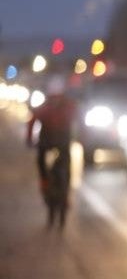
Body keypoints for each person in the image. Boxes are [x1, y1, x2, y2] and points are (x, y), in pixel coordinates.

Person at [27, 76, 77, 228]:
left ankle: (50, 186)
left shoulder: (59, 106)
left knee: (58, 167)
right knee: (59, 167)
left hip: (56, 144)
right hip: (52, 144)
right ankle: (52, 186)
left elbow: (32, 121)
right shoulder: (64, 105)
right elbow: (33, 120)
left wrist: (29, 140)